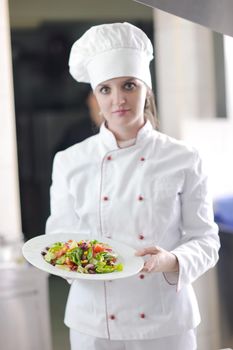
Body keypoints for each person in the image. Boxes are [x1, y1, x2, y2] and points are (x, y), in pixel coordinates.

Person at [46, 22, 220, 350]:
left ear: (146, 89)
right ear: (95, 96)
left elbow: (206, 239)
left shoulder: (183, 157)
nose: (118, 100)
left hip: (165, 320)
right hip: (94, 322)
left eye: (129, 85)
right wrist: (79, 262)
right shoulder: (69, 161)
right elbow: (60, 241)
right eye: (105, 90)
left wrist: (171, 260)